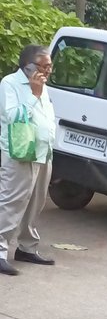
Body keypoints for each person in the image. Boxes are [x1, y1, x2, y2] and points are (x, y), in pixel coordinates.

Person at [0, 44, 56, 276]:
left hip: (43, 152)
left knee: (36, 201)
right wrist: (33, 94)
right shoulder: (10, 84)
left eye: (50, 66)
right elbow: (12, 116)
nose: (48, 71)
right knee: (12, 201)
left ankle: (27, 247)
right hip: (20, 151)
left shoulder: (43, 86)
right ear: (28, 67)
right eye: (44, 66)